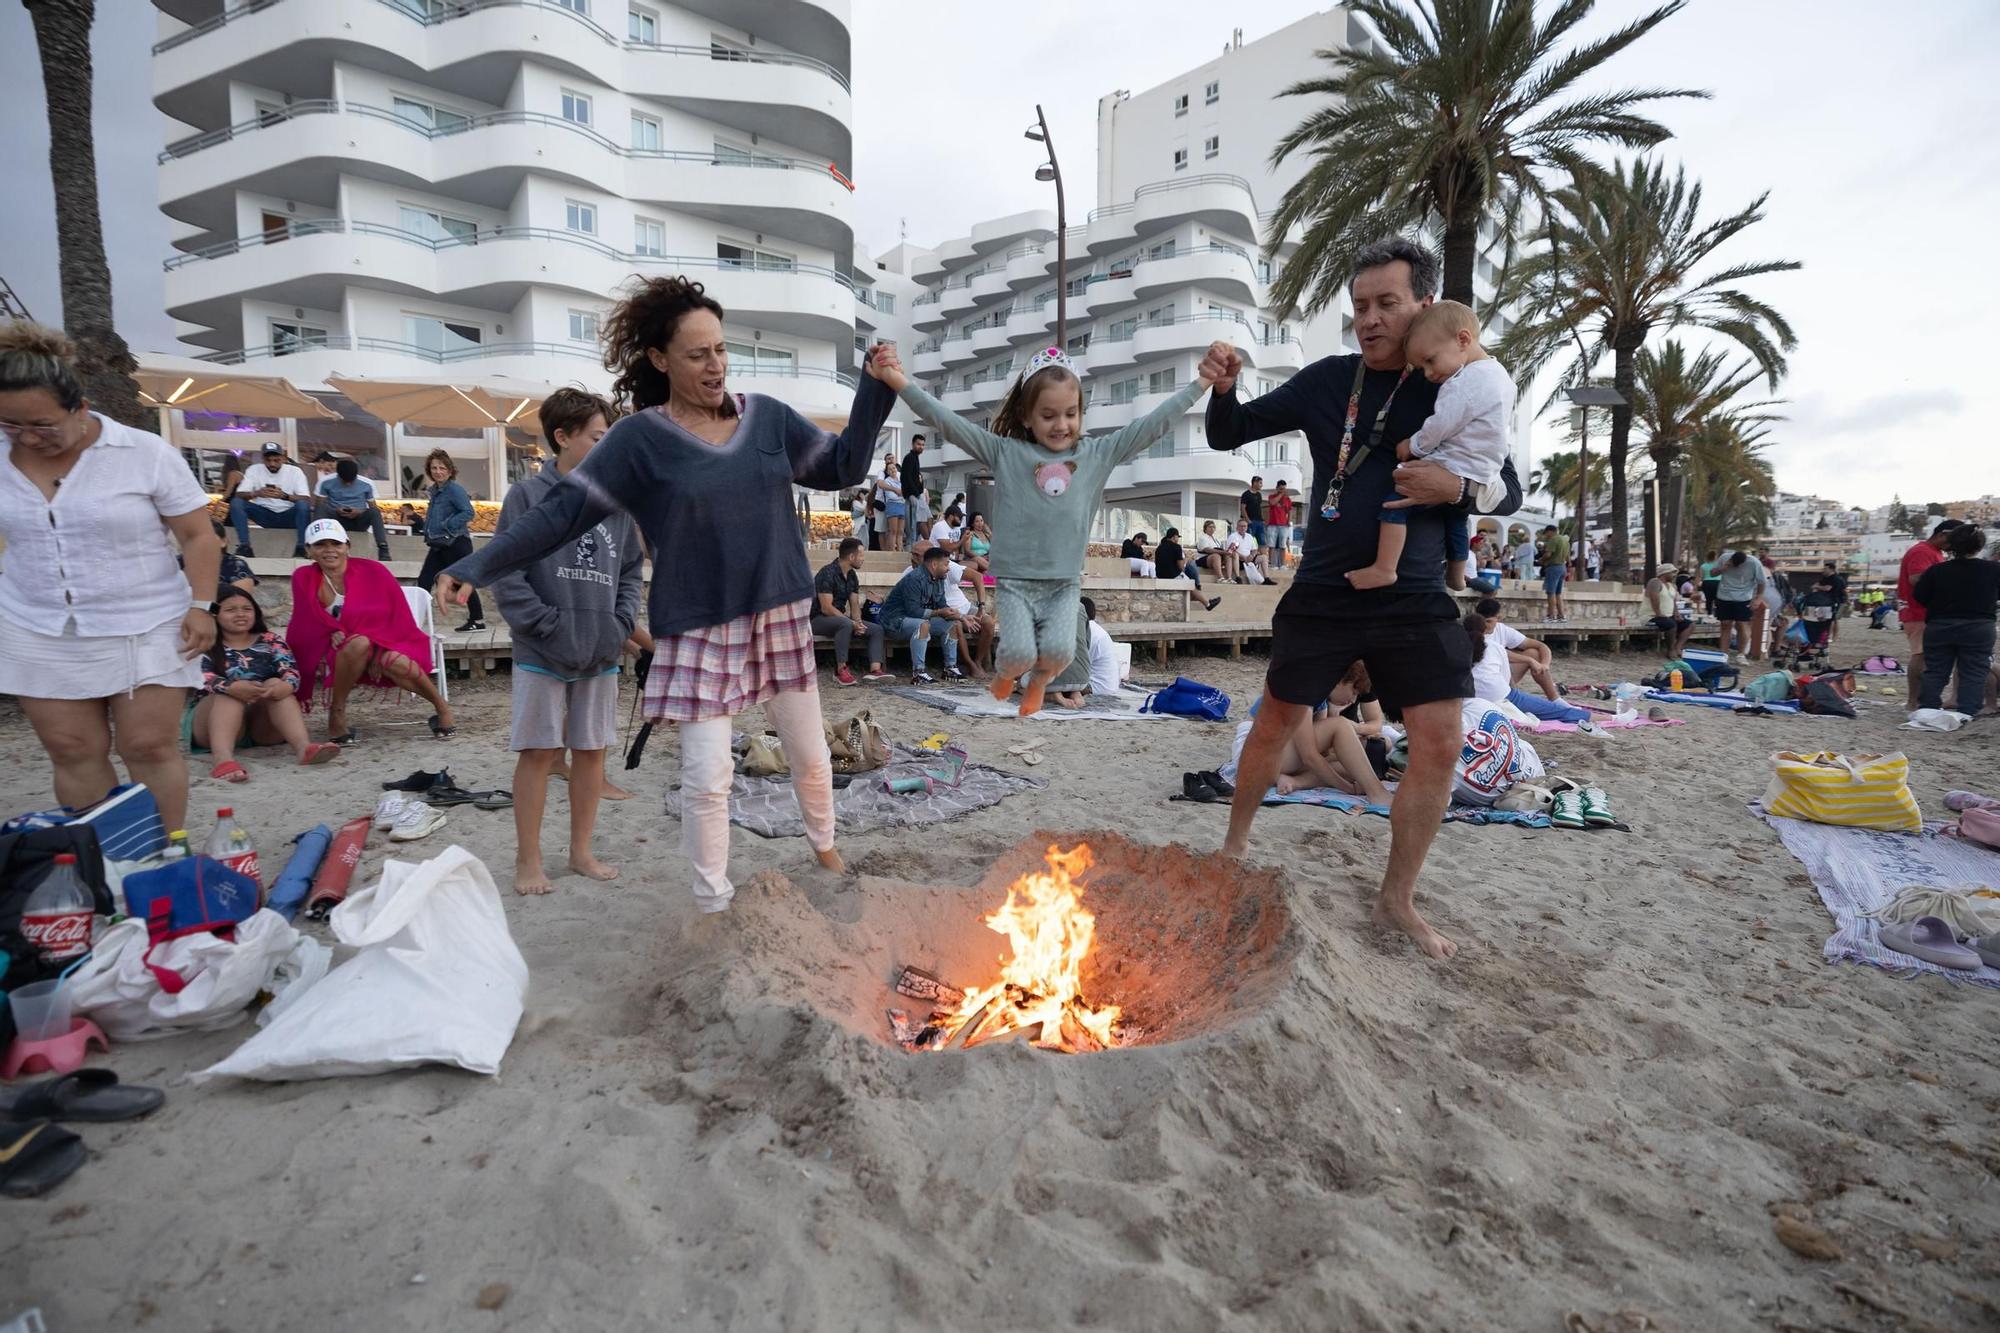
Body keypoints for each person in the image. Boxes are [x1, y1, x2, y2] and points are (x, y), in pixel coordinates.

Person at [437, 276, 897, 912]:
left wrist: (873, 390)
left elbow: (842, 466)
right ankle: (713, 901)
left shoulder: (767, 418)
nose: (715, 365)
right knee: (707, 777)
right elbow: (559, 515)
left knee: (811, 756)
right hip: (697, 623)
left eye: (721, 349)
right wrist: (478, 563)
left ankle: (824, 846)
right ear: (659, 359)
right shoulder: (638, 441)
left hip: (778, 611)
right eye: (697, 354)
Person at [1201, 236, 1525, 960]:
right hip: (1324, 588)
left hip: (1414, 595)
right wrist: (1224, 388)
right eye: (1359, 306)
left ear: (1425, 305)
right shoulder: (1329, 380)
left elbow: (1511, 486)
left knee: (1440, 742)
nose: (1370, 319)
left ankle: (1396, 899)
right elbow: (1231, 433)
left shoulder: (1456, 380)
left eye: (1387, 303)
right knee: (1274, 720)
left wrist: (1457, 488)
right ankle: (1234, 847)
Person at [876, 345, 1212, 715]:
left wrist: (1200, 383)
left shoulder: (1096, 453)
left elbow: (1151, 426)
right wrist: (897, 380)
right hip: (1018, 578)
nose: (1061, 425)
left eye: (1071, 414)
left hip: (1064, 579)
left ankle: (1035, 685)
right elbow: (947, 422)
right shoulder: (1006, 452)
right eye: (1048, 415)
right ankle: (1011, 678)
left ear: (1081, 412)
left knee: (1062, 649)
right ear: (1026, 415)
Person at [0, 320, 222, 834]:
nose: (28, 438)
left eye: (43, 425)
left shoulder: (143, 453)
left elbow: (198, 536)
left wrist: (201, 606)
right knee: (71, 749)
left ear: (79, 408)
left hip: (147, 619)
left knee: (147, 746)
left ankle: (163, 853)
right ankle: (105, 859)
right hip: (36, 623)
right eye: (11, 425)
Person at [487, 386, 646, 895]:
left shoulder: (615, 505)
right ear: (562, 436)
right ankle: (528, 860)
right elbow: (506, 570)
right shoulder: (527, 497)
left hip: (600, 649)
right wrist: (544, 624)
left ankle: (581, 852)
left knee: (591, 752)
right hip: (542, 650)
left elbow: (630, 571)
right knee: (538, 752)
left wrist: (619, 624)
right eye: (598, 438)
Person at [1349, 300, 1513, 593]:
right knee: (1456, 519)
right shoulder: (1500, 375)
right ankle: (1457, 575)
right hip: (1482, 471)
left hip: (1452, 464)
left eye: (1430, 360)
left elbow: (1440, 425)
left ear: (1463, 340)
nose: (1428, 373)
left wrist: (1412, 445)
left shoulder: (1463, 383)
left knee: (1393, 506)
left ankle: (1385, 568)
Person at [290, 519, 455, 745]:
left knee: (394, 661)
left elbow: (395, 616)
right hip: (335, 648)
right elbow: (306, 619)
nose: (329, 550)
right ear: (309, 550)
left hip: (387, 639)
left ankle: (442, 708)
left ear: (347, 546)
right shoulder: (303, 577)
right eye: (320, 545)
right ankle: (337, 712)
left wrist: (378, 647)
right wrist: (331, 629)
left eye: (336, 544)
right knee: (358, 643)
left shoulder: (374, 571)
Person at [193, 586, 342, 780]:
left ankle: (304, 748)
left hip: (261, 726)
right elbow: (199, 677)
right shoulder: (205, 642)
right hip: (212, 724)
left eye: (247, 609)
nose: (240, 614)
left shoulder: (271, 640)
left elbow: (291, 672)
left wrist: (285, 685)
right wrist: (231, 687)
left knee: (276, 683)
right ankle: (223, 760)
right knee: (229, 695)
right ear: (214, 615)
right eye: (230, 610)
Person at [1911, 522, 1998, 717]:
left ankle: (1928, 707)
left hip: (1940, 624)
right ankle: (1967, 710)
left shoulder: (1936, 571)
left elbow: (1920, 596)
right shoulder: (1993, 569)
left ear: (1952, 545)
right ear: (1979, 546)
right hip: (1979, 625)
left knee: (1935, 669)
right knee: (1974, 670)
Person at [1466, 603, 1594, 726]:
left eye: (1489, 621)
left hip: (1472, 692)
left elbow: (1540, 646)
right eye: (1485, 622)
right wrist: (1514, 695)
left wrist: (1544, 665)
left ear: (1497, 618)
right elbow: (1504, 676)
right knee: (1553, 711)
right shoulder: (1494, 647)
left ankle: (1555, 698)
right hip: (1496, 691)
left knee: (1533, 654)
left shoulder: (1494, 635)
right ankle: (1598, 717)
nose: (1487, 625)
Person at [416, 450, 485, 633]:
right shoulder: (435, 491)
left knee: (462, 582)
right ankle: (415, 621)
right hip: (439, 544)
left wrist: (447, 525)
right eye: (434, 468)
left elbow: (468, 512)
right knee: (424, 581)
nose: (438, 471)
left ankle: (477, 620)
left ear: (449, 470)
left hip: (456, 543)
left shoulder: (454, 490)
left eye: (442, 468)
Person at [1898, 519, 1963, 709]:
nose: (1953, 546)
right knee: (1921, 655)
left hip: (1925, 611)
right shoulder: (1922, 551)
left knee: (1928, 656)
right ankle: (1913, 701)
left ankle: (1919, 700)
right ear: (1942, 534)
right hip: (1918, 611)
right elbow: (1916, 578)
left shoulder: (1934, 552)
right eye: (1952, 541)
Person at [880, 543, 963, 683]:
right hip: (894, 621)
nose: (948, 568)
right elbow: (914, 611)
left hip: (915, 619)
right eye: (946, 564)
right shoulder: (914, 579)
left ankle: (950, 668)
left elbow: (942, 605)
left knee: (952, 624)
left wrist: (962, 617)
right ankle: (918, 673)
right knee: (923, 625)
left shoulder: (939, 579)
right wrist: (939, 612)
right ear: (934, 565)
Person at [813, 536, 889, 685]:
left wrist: (858, 623)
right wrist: (851, 623)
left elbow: (854, 604)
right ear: (851, 557)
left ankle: (875, 670)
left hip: (839, 619)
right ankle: (840, 670)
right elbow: (826, 608)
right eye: (861, 555)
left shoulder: (852, 575)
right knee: (845, 624)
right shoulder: (827, 573)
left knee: (876, 629)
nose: (863, 559)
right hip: (818, 619)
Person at [228, 441, 312, 558]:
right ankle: (245, 546)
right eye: (268, 460)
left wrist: (284, 496)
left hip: (288, 516)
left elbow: (306, 498)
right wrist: (256, 493)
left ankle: (301, 547)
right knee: (236, 503)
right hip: (264, 515)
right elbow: (239, 494)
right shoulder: (254, 469)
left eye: (276, 460)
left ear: (283, 458)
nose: (272, 464)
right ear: (263, 459)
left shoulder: (295, 471)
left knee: (302, 505)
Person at [315, 456, 394, 560]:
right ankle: (317, 543)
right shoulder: (326, 482)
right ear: (338, 475)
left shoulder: (367, 483)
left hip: (358, 520)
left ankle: (383, 548)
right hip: (335, 521)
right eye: (345, 481)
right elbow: (319, 504)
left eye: (351, 481)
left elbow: (372, 507)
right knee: (320, 508)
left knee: (375, 511)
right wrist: (336, 510)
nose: (348, 483)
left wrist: (359, 512)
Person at [1712, 550, 1769, 664]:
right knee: (1725, 624)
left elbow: (1762, 582)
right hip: (1724, 595)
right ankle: (1723, 654)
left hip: (1743, 597)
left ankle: (1741, 654)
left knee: (1742, 625)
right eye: (1734, 564)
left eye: (1739, 565)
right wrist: (1723, 568)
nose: (1736, 567)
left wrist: (1758, 598)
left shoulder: (1754, 562)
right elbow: (1712, 573)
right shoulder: (1724, 557)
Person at [1156, 527, 1223, 612]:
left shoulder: (1159, 548)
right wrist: (1186, 560)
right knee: (1191, 584)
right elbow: (1181, 566)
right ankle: (1207, 604)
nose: (1178, 539)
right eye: (1177, 537)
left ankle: (1199, 597)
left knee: (1190, 586)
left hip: (1160, 575)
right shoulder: (1176, 547)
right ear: (1174, 537)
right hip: (1173, 575)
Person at [1645, 563, 1696, 656]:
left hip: (1668, 616)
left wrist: (1677, 613)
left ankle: (1677, 648)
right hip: (1651, 615)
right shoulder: (1655, 582)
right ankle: (1670, 650)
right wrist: (1658, 613)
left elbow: (1673, 601)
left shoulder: (1672, 586)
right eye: (1672, 573)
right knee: (1671, 625)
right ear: (1665, 573)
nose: (1675, 575)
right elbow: (1654, 598)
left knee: (1690, 625)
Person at [873, 453, 905, 552]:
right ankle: (886, 551)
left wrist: (900, 493)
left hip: (900, 505)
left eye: (892, 458)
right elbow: (882, 485)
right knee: (884, 530)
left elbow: (905, 490)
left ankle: (898, 550)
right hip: (884, 504)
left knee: (899, 531)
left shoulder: (900, 475)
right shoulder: (882, 474)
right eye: (888, 458)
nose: (890, 460)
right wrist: (897, 490)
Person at [1539, 524, 1570, 622]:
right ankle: (1561, 616)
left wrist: (1541, 559)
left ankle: (1551, 616)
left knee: (1551, 592)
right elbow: (1568, 557)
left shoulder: (1553, 540)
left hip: (1553, 567)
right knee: (1558, 593)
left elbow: (1548, 554)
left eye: (1546, 533)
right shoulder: (1565, 541)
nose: (1546, 536)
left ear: (1550, 531)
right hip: (1562, 567)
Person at [900, 434, 926, 550]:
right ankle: (911, 549)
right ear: (913, 444)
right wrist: (912, 494)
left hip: (915, 495)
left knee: (916, 523)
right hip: (911, 496)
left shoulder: (915, 458)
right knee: (911, 525)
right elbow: (906, 477)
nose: (921, 447)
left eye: (923, 445)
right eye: (918, 444)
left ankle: (913, 547)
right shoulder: (909, 458)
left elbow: (915, 478)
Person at [1227, 518, 1270, 584]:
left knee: (1264, 557)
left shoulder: (1249, 536)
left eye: (1244, 526)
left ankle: (1266, 579)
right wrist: (1243, 557)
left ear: (1247, 527)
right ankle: (1238, 577)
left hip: (1249, 558)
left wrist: (1252, 555)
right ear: (1237, 527)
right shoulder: (1233, 536)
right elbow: (1231, 550)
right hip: (1238, 560)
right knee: (1235, 554)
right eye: (1241, 526)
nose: (1243, 528)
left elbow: (1254, 549)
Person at [1194, 518, 1237, 583]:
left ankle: (1229, 578)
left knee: (1228, 556)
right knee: (1216, 556)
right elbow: (1207, 550)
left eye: (1213, 527)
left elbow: (1220, 549)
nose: (1212, 529)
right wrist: (1223, 552)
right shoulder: (1203, 537)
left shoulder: (1216, 539)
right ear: (1205, 528)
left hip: (1216, 557)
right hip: (1204, 558)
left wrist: (1228, 551)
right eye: (1210, 527)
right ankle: (1220, 578)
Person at [1265, 479, 1295, 569]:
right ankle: (1272, 564)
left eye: (1284, 489)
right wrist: (1281, 494)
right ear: (1277, 488)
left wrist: (1288, 521)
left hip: (1284, 525)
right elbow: (1272, 503)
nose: (1283, 490)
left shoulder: (1288, 499)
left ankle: (1282, 564)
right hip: (1272, 524)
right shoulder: (1271, 496)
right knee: (1271, 545)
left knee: (1283, 545)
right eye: (1281, 489)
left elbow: (1289, 511)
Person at [1821, 560, 1849, 644]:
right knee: (1830, 619)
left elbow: (1827, 588)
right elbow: (1817, 585)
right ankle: (1829, 637)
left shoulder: (1837, 578)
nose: (1824, 570)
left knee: (1833, 619)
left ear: (1831, 569)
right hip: (1828, 601)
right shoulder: (1825, 578)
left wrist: (1818, 587)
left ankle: (1832, 637)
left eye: (1825, 568)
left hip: (1838, 601)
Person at [1240, 474, 1265, 546]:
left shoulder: (1259, 494)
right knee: (1249, 541)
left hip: (1259, 521)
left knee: (1262, 542)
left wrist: (1262, 520)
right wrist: (1248, 520)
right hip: (1251, 521)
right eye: (1260, 483)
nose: (1261, 485)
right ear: (1255, 483)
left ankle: (1261, 553)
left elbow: (1259, 507)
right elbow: (1242, 508)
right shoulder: (1246, 494)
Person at [1698, 550, 1721, 614]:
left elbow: (1701, 576)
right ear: (1716, 557)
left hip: (1707, 583)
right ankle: (1717, 613)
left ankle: (1709, 613)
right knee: (1718, 598)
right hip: (1717, 582)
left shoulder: (1703, 566)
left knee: (1708, 599)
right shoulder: (1718, 565)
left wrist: (1698, 585)